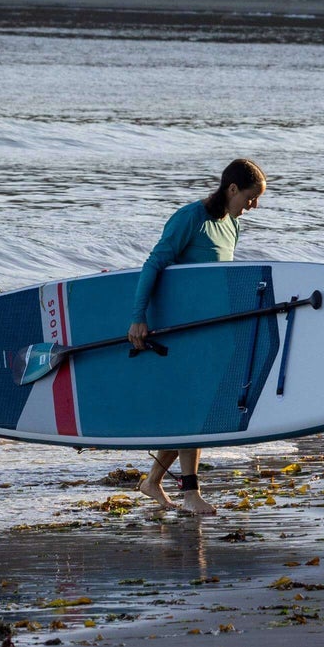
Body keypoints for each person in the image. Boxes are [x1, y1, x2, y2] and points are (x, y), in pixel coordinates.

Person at [129, 156, 267, 514]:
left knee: (193, 410)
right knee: (195, 410)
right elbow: (154, 263)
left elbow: (219, 282)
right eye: (250, 198)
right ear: (232, 189)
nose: (253, 206)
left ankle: (152, 483)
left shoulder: (232, 225)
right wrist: (137, 317)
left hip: (207, 331)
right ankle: (190, 494)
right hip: (177, 329)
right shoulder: (190, 218)